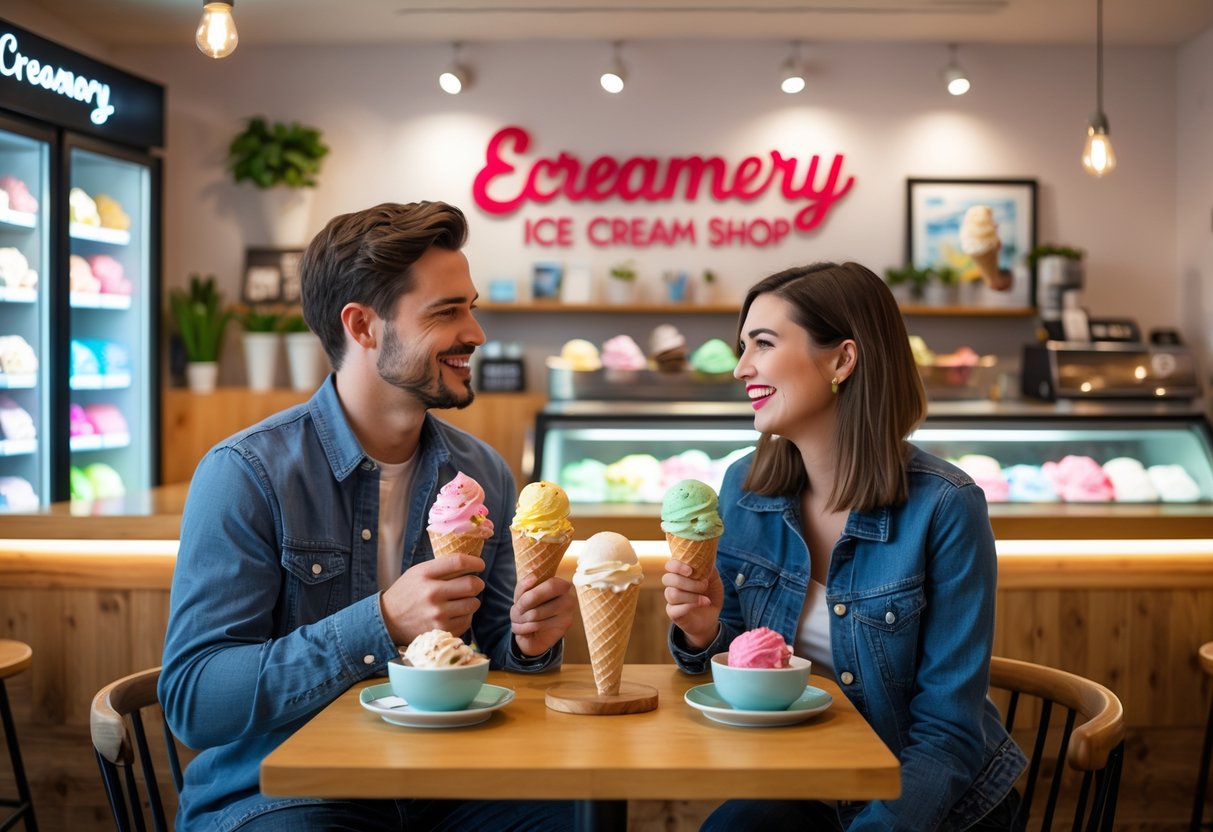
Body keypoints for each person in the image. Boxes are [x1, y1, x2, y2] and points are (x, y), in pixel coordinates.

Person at [159, 201, 576, 832]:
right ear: (363, 326)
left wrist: (529, 644)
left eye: (471, 307)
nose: (476, 333)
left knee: (575, 816)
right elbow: (197, 698)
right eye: (446, 311)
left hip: (443, 784)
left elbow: (500, 657)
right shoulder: (247, 473)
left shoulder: (482, 473)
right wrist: (380, 621)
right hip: (286, 796)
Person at [663, 262, 1026, 831]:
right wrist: (705, 633)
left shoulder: (946, 506)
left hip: (934, 805)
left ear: (842, 360)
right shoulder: (744, 488)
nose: (740, 368)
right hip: (806, 784)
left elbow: (948, 734)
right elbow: (742, 673)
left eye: (763, 343)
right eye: (742, 346)